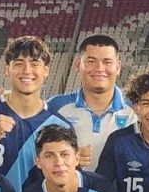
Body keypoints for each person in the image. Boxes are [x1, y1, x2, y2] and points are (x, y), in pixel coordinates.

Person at [0, 36, 72, 192]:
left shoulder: (61, 126)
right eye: (18, 63)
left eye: (34, 63)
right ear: (7, 69)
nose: (27, 70)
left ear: (46, 70)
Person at [46, 34, 135, 171]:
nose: (99, 68)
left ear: (118, 67)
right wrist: (68, 158)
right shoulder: (55, 107)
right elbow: (37, 152)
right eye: (91, 61)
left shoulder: (137, 109)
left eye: (107, 62)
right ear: (78, 64)